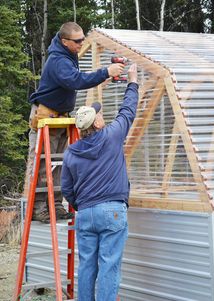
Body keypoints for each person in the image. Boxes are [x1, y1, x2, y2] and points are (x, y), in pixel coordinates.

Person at [26, 22, 124, 223]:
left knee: (61, 163)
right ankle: (38, 209)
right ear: (64, 41)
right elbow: (76, 81)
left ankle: (56, 206)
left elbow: (76, 80)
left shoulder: (68, 54)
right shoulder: (58, 60)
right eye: (78, 41)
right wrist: (105, 72)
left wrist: (100, 77)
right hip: (47, 117)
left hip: (60, 116)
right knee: (45, 165)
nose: (82, 43)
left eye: (82, 39)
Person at [61, 63, 138, 301]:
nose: (102, 116)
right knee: (109, 266)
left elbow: (67, 189)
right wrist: (132, 81)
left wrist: (82, 205)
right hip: (112, 212)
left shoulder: (71, 153)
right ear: (95, 123)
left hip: (85, 213)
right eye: (100, 115)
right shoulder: (112, 136)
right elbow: (128, 111)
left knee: (87, 267)